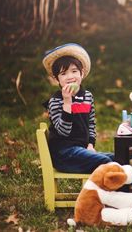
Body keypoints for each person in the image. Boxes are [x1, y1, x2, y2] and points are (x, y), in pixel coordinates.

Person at [42, 43, 114, 173]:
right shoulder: (55, 101)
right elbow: (63, 131)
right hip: (64, 153)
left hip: (82, 150)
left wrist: (90, 145)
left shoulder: (87, 96)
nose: (70, 77)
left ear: (82, 73)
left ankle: (128, 189)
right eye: (63, 73)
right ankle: (111, 191)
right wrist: (67, 101)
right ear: (56, 78)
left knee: (119, 158)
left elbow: (91, 124)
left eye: (74, 71)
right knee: (105, 162)